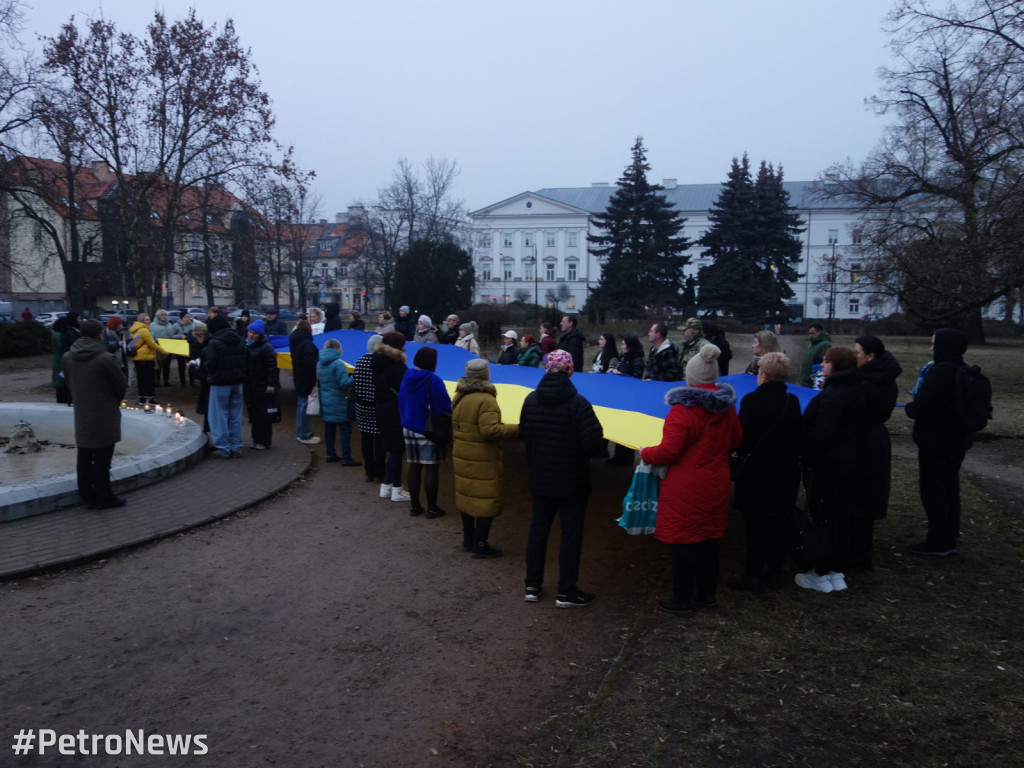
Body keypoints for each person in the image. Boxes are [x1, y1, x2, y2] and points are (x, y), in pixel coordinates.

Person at [640, 345, 742, 617]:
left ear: (691, 378)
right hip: (716, 482)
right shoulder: (727, 408)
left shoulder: (681, 411)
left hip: (686, 487)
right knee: (709, 539)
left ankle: (682, 598)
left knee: (684, 542)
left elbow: (670, 451)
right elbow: (736, 440)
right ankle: (706, 594)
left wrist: (645, 453)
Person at [520, 349, 605, 607]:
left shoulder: (530, 400)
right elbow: (593, 443)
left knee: (537, 531)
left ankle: (532, 585)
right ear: (569, 371)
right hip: (572, 481)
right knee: (570, 535)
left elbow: (525, 434)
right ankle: (566, 592)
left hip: (541, 478)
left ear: (547, 369)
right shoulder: (579, 403)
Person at [731, 352, 802, 593]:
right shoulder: (791, 402)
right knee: (779, 524)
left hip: (756, 472)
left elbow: (742, 438)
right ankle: (774, 573)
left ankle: (753, 574)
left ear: (763, 375)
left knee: (755, 527)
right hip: (785, 472)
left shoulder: (751, 401)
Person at [796, 346, 864, 593]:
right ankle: (836, 568)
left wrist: (810, 457)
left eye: (826, 362)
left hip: (827, 464)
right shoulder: (854, 389)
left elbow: (824, 434)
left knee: (823, 516)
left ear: (837, 366)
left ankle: (820, 572)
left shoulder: (834, 395)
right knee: (838, 515)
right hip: (845, 460)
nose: (822, 365)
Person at [905, 329, 974, 557]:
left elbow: (921, 407)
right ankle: (948, 534)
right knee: (949, 488)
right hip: (957, 440)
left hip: (936, 441)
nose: (931, 348)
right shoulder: (962, 369)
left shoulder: (940, 372)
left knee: (933, 490)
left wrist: (910, 407)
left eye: (934, 344)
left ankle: (937, 541)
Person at [451, 358, 519, 557]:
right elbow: (490, 431)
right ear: (486, 374)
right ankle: (480, 545)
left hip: (463, 454)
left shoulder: (459, 396)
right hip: (482, 457)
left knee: (467, 497)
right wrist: (518, 429)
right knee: (486, 499)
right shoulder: (486, 399)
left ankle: (468, 539)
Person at [62, 319, 128, 509]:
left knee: (84, 454)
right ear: (99, 334)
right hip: (104, 412)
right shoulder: (106, 358)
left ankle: (87, 494)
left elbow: (68, 380)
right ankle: (104, 495)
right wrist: (111, 400)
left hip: (82, 411)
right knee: (102, 457)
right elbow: (120, 385)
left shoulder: (68, 357)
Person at [851, 335, 902, 568]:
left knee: (860, 494)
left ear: (870, 357)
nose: (854, 356)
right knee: (867, 495)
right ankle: (862, 549)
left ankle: (857, 552)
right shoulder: (883, 379)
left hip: (863, 440)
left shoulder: (866, 383)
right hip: (875, 439)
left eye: (857, 352)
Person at [398, 346, 452, 518]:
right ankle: (432, 508)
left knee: (414, 466)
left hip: (408, 426)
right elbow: (444, 405)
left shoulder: (407, 375)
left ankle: (415, 506)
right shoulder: (433, 380)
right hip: (428, 429)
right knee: (431, 470)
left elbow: (401, 398)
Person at [373, 331, 412, 502]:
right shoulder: (398, 367)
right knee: (397, 450)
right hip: (396, 411)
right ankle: (397, 489)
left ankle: (386, 486)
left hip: (382, 409)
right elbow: (406, 391)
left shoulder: (376, 362)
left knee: (391, 449)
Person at [202, 313, 246, 459]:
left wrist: (203, 368)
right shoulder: (239, 339)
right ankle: (236, 445)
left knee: (219, 415)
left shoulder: (214, 342)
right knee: (235, 415)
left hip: (220, 382)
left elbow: (211, 364)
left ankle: (222, 448)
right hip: (237, 381)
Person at [318, 338, 360, 466]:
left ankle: (330, 454)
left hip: (325, 399)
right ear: (338, 349)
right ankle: (346, 457)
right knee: (345, 429)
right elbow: (344, 384)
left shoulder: (319, 363)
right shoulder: (338, 364)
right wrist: (355, 376)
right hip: (339, 400)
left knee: (329, 427)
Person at [243, 319, 279, 450]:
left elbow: (272, 367)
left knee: (262, 415)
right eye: (250, 332)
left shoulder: (266, 347)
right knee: (253, 414)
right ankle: (256, 439)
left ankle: (263, 440)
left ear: (260, 334)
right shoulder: (247, 345)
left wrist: (271, 384)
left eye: (254, 333)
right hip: (250, 385)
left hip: (262, 385)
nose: (251, 335)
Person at [352, 334, 383, 483]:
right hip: (376, 406)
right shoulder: (380, 362)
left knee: (366, 439)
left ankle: (368, 471)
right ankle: (379, 473)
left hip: (362, 405)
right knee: (379, 440)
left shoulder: (359, 362)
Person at [289, 319, 321, 445]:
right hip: (308, 378)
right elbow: (310, 362)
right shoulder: (307, 344)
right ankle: (305, 435)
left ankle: (301, 433)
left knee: (301, 405)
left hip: (299, 376)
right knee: (307, 407)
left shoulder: (295, 342)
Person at [129, 314, 169, 409]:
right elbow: (152, 344)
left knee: (141, 379)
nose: (149, 321)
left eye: (149, 319)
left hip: (138, 358)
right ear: (142, 321)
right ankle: (150, 399)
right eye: (147, 319)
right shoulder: (144, 330)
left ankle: (142, 399)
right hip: (145, 358)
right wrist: (164, 351)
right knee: (149, 379)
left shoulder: (136, 329)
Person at [151, 309, 186, 388]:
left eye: (165, 315)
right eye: (162, 315)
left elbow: (172, 335)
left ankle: (166, 380)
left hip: (168, 347)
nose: (164, 317)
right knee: (158, 365)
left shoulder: (169, 324)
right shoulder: (153, 325)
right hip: (158, 347)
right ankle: (157, 382)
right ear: (158, 316)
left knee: (167, 365)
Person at [799, 323, 832, 388]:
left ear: (819, 332)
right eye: (809, 333)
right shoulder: (812, 343)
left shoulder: (825, 345)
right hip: (805, 378)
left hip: (813, 381)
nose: (810, 335)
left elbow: (824, 362)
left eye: (812, 333)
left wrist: (816, 378)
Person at [51, 317, 73, 404]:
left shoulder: (55, 335)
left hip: (57, 361)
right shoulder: (60, 336)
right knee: (62, 383)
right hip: (61, 362)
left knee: (59, 383)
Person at [102, 316, 129, 382]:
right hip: (112, 362)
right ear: (114, 325)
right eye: (119, 324)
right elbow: (105, 348)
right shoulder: (106, 333)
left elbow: (123, 347)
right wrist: (117, 344)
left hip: (122, 361)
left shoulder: (120, 333)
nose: (121, 326)